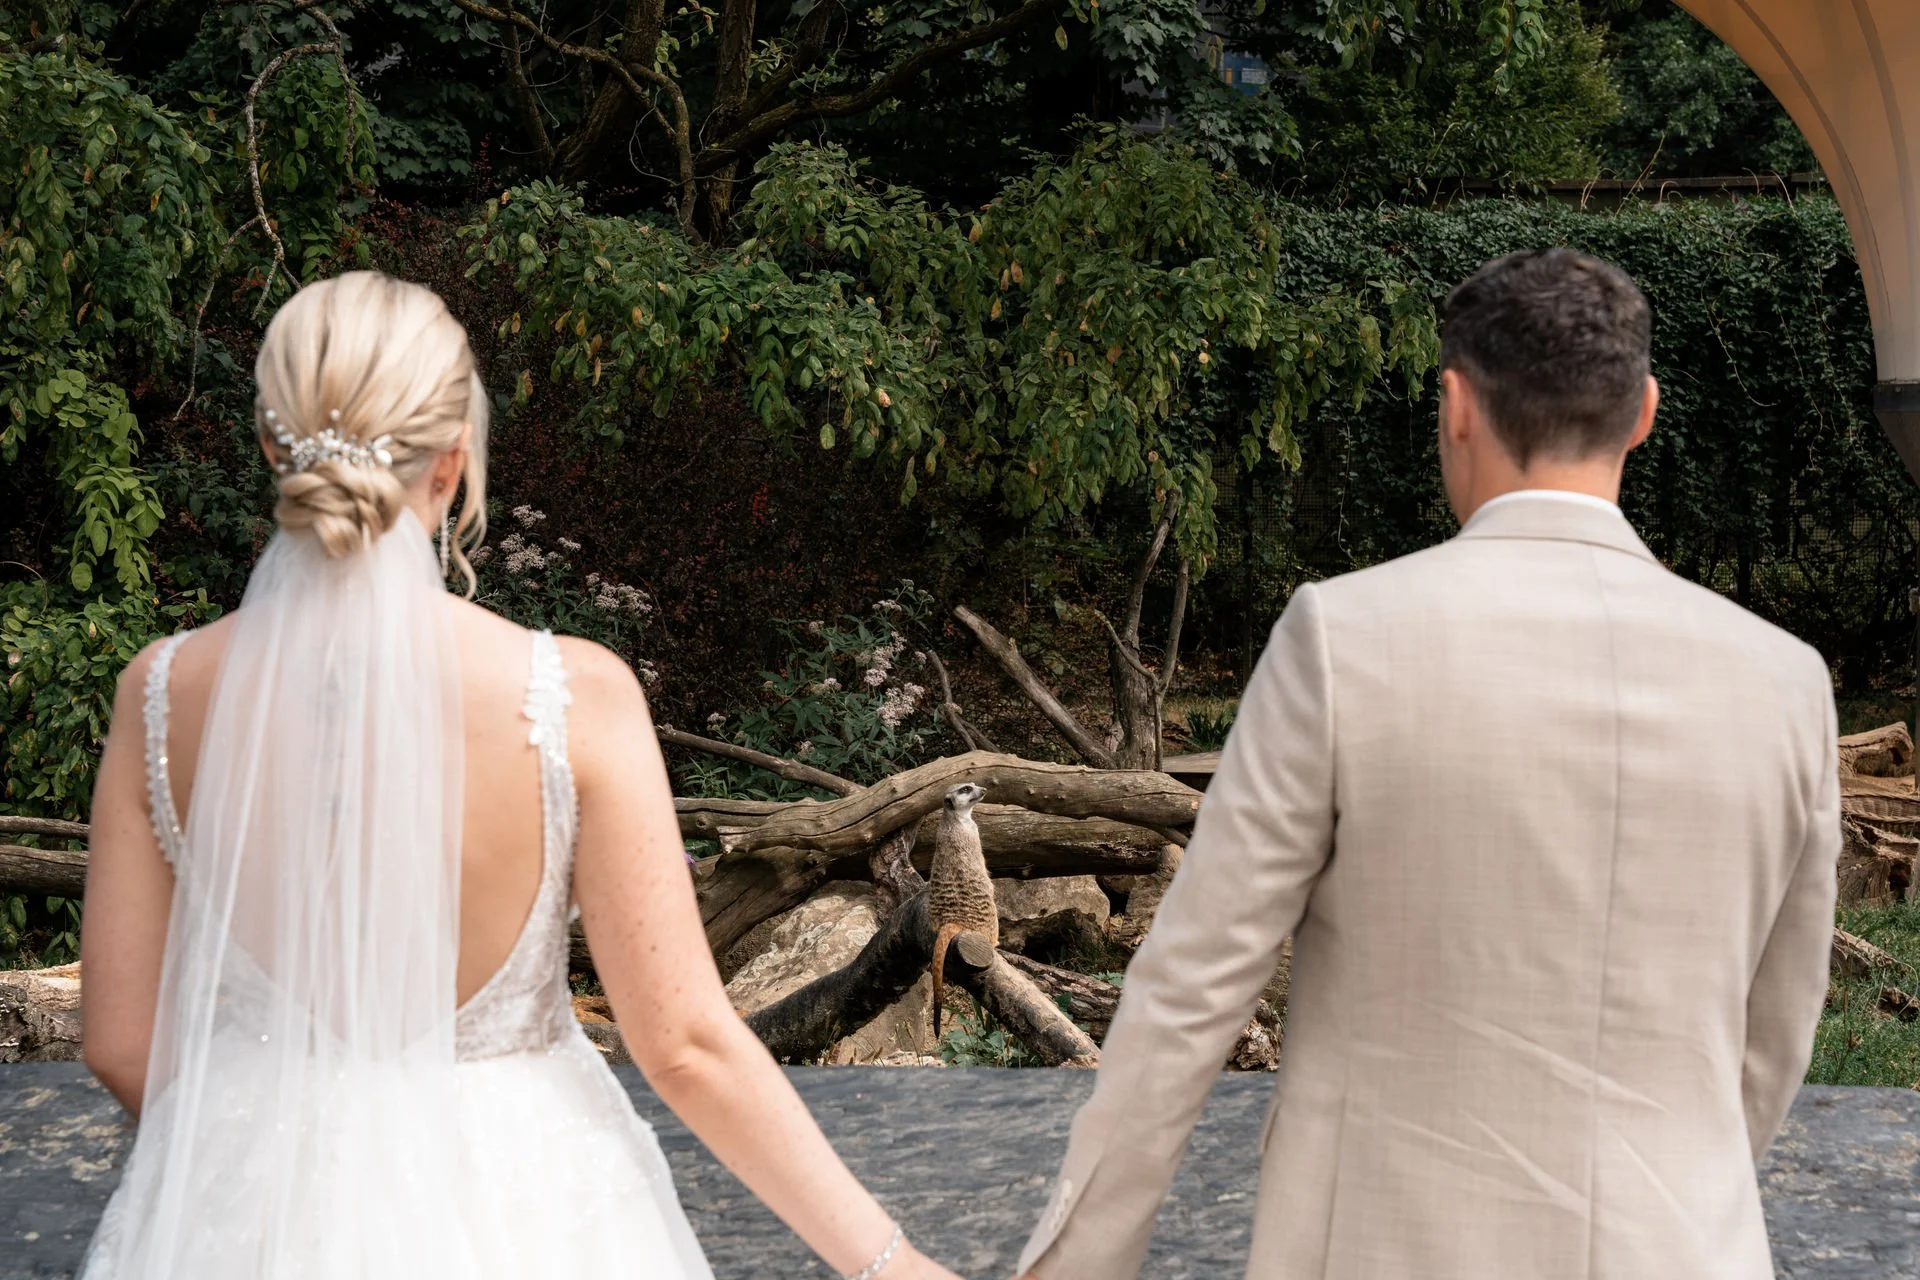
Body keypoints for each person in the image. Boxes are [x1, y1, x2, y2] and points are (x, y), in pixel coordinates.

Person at [78, 271, 960, 1280]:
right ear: (453, 460)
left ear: (274, 447)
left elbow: (119, 1041)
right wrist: (894, 1264)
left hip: (246, 1219)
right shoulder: (572, 697)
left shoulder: (161, 693)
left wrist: (262, 1152)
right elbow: (685, 1045)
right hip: (521, 1210)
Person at [1012, 248, 1840, 1280]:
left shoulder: (1342, 639)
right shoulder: (1785, 681)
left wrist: (1076, 1264)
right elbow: (1777, 1030)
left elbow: (1192, 991)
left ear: (1454, 406)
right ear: (1643, 414)